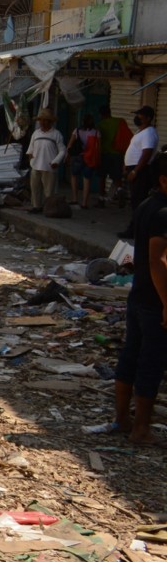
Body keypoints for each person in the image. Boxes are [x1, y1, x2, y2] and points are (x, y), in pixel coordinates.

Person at [114, 154, 167, 445]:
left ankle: (123, 419)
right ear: (163, 180)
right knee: (151, 362)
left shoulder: (147, 206)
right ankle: (141, 429)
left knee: (131, 356)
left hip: (139, 295)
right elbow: (159, 261)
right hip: (155, 301)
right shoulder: (163, 213)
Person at [26, 110, 66, 211]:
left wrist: (56, 161)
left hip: (49, 167)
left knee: (49, 191)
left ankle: (49, 208)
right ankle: (36, 206)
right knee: (35, 189)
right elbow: (30, 150)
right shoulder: (36, 133)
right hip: (36, 166)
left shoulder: (56, 134)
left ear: (51, 122)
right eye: (41, 120)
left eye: (46, 121)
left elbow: (62, 150)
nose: (43, 123)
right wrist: (31, 161)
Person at [126, 106, 160, 217]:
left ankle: (137, 228)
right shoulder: (141, 131)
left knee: (139, 200)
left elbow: (146, 154)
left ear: (148, 118)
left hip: (141, 170)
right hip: (135, 168)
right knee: (135, 200)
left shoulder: (149, 133)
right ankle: (134, 227)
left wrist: (135, 171)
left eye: (140, 115)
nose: (137, 117)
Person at [98, 102, 131, 205]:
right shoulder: (119, 121)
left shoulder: (100, 125)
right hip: (117, 154)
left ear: (101, 114)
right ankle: (120, 190)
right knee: (117, 177)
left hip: (104, 154)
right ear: (110, 112)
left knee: (102, 177)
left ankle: (101, 199)